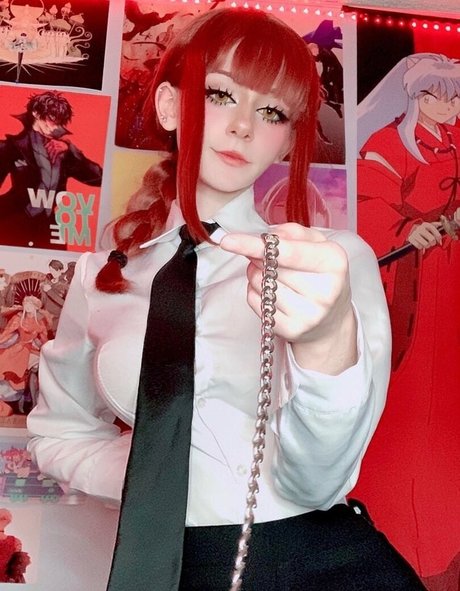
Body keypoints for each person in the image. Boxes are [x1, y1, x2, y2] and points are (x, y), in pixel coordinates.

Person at [27, 8, 426, 591]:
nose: (243, 127)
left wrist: (324, 343)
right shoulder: (101, 276)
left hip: (322, 563)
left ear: (287, 138)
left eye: (271, 112)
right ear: (170, 106)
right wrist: (156, 477)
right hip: (173, 565)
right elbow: (59, 433)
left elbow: (319, 482)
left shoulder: (330, 261)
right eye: (221, 94)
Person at [354, 53, 460, 588]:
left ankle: (447, 535)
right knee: (407, 404)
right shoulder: (387, 143)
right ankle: (393, 531)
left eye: (455, 96)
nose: (447, 106)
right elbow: (366, 203)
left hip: (454, 280)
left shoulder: (457, 141)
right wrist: (404, 232)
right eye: (436, 95)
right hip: (411, 284)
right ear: (416, 96)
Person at [0, 90, 102, 250]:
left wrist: (70, 151)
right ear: (35, 113)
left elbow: (99, 178)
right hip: (12, 222)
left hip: (47, 227)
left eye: (59, 121)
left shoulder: (63, 151)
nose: (55, 126)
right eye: (51, 118)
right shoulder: (12, 147)